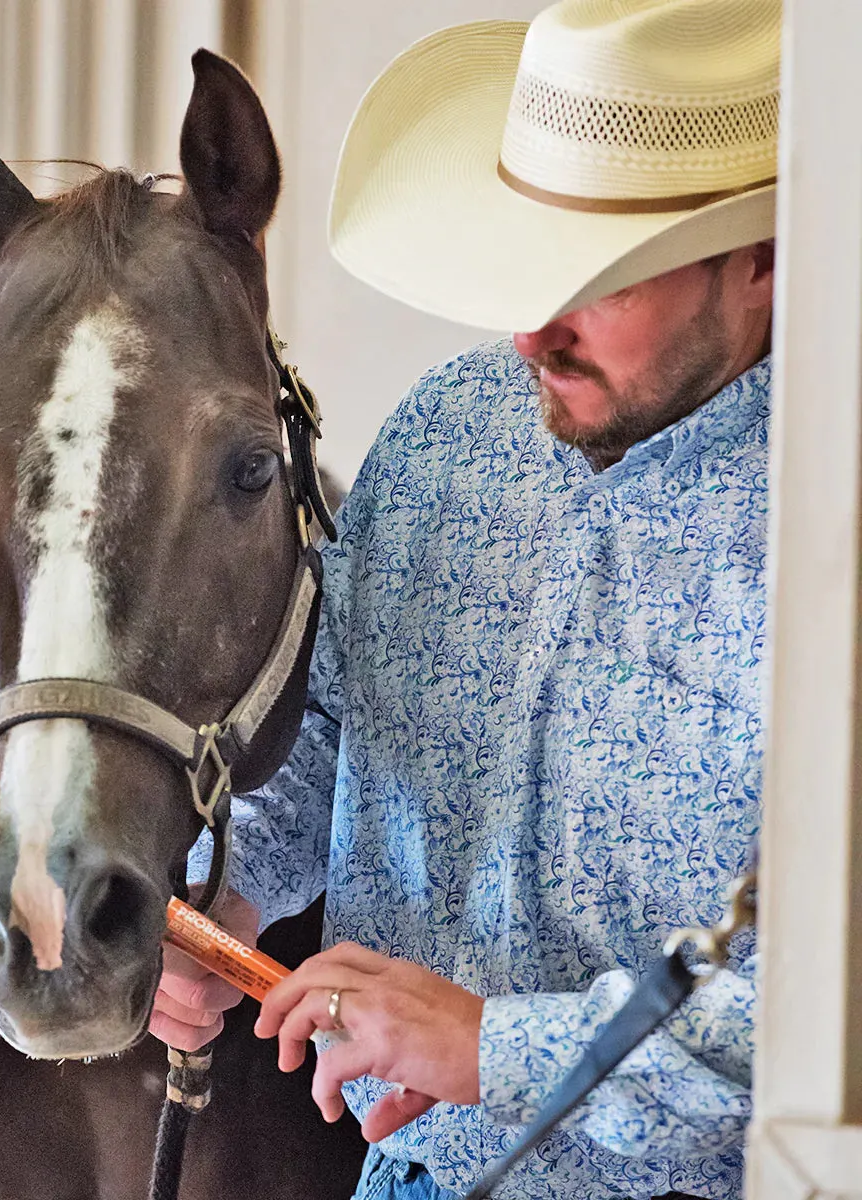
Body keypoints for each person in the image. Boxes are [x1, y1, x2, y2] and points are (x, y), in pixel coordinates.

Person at [151, 2, 779, 1197]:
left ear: (761, 257)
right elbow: (337, 729)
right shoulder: (450, 433)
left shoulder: (830, 536)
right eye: (524, 262)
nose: (530, 328)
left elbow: (830, 1021)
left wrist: (493, 1048)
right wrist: (212, 897)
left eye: (602, 282)